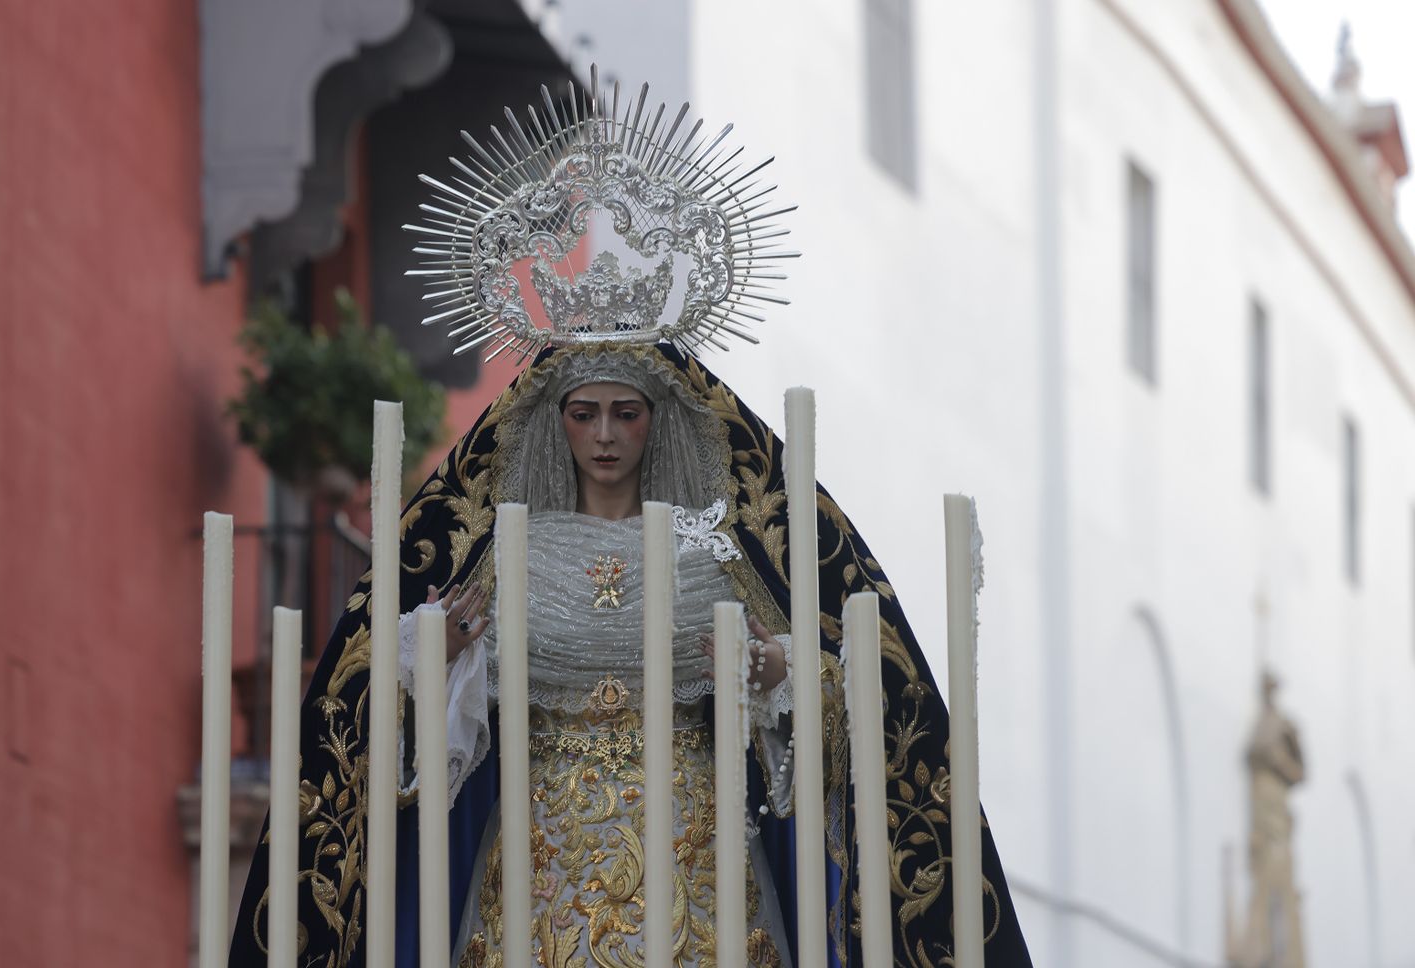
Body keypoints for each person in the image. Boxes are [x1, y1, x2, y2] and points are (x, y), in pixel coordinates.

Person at [229, 71, 1033, 968]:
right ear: (555, 422)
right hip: (541, 858)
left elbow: (831, 694)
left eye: (626, 412)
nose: (605, 435)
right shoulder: (514, 557)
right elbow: (426, 703)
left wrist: (780, 672)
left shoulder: (713, 554)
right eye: (584, 413)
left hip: (696, 862)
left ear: (660, 421)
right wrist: (439, 653)